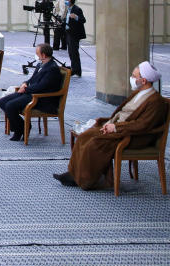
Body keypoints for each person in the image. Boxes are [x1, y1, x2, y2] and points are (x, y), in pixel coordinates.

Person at [55, 61, 167, 190]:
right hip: (120, 128)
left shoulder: (155, 101)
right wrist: (108, 122)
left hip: (135, 136)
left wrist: (115, 127)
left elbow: (142, 125)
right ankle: (74, 173)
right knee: (84, 136)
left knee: (95, 142)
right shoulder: (138, 93)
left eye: (134, 76)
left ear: (144, 80)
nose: (132, 78)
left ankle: (86, 180)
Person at [0, 43, 64, 141]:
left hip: (41, 98)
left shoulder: (52, 68)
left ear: (44, 55)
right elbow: (33, 79)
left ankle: (20, 129)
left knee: (10, 106)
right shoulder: (40, 64)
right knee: (2, 101)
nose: (36, 55)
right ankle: (21, 126)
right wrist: (25, 83)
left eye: (37, 53)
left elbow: (42, 86)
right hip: (31, 92)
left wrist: (26, 89)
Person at [61, 0, 85, 77]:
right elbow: (67, 20)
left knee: (74, 52)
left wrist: (76, 17)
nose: (66, 1)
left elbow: (83, 20)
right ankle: (74, 69)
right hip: (68, 33)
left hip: (74, 34)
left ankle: (77, 70)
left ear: (72, 0)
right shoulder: (68, 9)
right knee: (70, 52)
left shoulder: (77, 9)